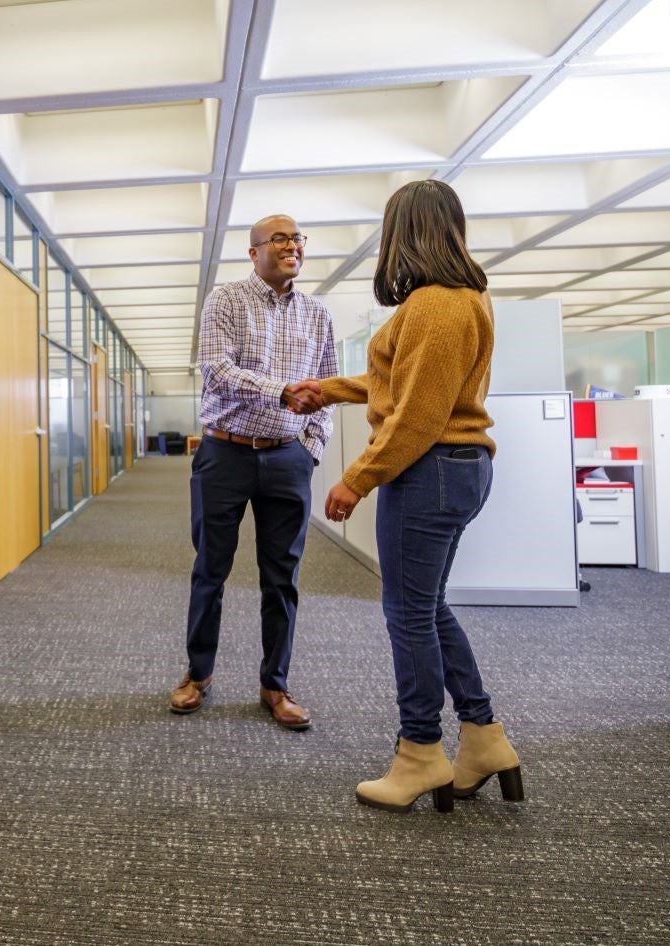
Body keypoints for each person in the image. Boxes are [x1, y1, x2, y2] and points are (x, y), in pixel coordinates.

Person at [285, 180, 525, 812]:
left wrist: (356, 478)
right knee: (427, 607)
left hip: (430, 469)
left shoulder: (437, 304)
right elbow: (400, 380)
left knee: (409, 613)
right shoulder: (460, 298)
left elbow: (417, 416)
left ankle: (420, 753)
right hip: (456, 468)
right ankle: (483, 737)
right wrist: (331, 389)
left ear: (404, 233)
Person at [170, 214, 337, 731]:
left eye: (297, 239)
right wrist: (281, 392)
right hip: (225, 453)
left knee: (281, 577)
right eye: (279, 239)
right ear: (254, 251)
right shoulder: (225, 300)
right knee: (211, 570)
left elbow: (329, 386)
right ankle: (198, 674)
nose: (292, 246)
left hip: (288, 457)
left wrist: (311, 446)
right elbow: (216, 369)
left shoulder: (317, 314)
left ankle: (275, 684)